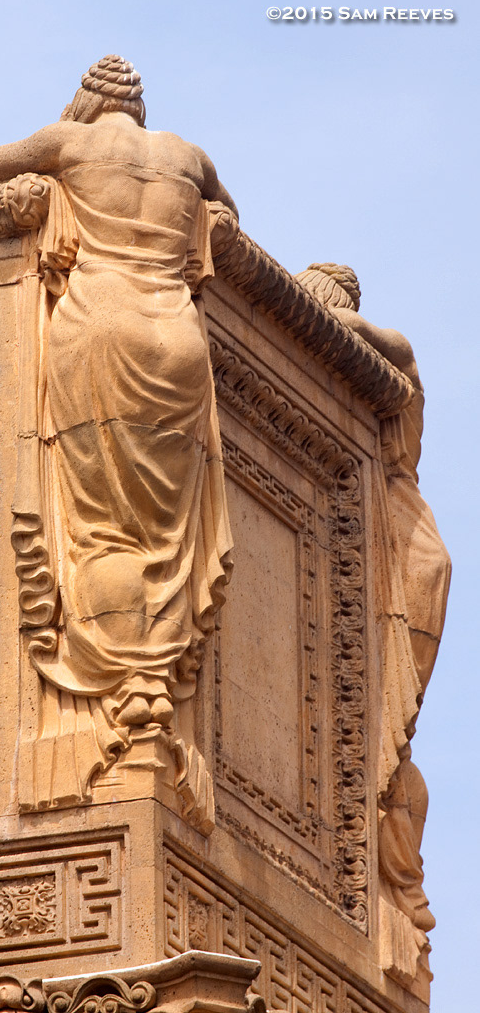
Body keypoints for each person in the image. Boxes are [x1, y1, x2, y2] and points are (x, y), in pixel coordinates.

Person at [0, 57, 234, 804]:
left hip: (100, 325)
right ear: (140, 109)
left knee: (102, 528)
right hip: (178, 338)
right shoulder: (186, 157)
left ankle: (127, 695)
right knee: (165, 536)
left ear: (87, 100)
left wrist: (62, 137)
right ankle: (154, 687)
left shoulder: (72, 144)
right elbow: (227, 217)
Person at [296, 262, 451, 983]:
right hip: (399, 536)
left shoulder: (388, 362)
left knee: (391, 725)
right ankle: (397, 894)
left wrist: (300, 303)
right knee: (392, 734)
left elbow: (386, 343)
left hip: (401, 538)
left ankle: (395, 890)